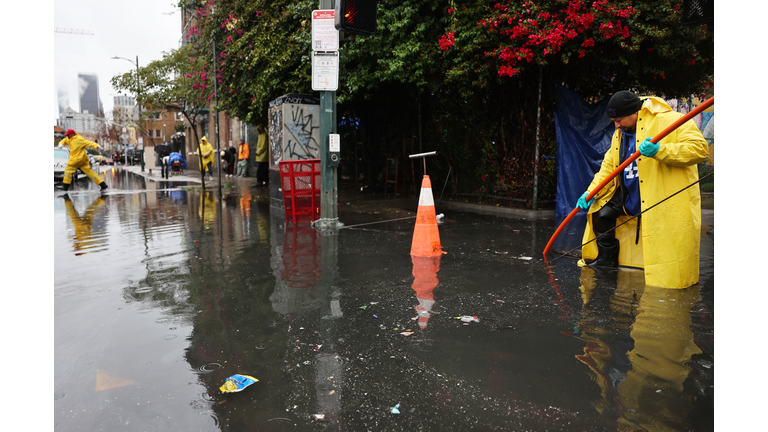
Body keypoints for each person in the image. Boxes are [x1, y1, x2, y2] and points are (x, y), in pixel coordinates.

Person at [576, 91, 708, 288]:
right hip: (630, 198)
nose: (616, 125)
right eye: (613, 120)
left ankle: (667, 276)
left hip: (660, 199)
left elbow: (699, 149)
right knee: (601, 213)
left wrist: (660, 151)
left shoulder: (672, 121)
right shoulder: (619, 134)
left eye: (619, 120)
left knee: (665, 235)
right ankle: (607, 262)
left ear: (634, 112)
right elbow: (608, 167)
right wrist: (591, 192)